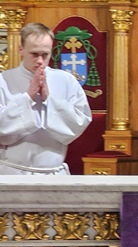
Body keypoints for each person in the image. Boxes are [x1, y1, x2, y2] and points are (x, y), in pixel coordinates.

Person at [0, 22, 92, 175]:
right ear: (21, 49)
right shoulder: (3, 80)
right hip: (13, 172)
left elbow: (79, 121)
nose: (40, 61)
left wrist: (50, 99)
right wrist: (27, 97)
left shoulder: (66, 81)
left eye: (45, 54)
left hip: (53, 172)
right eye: (34, 54)